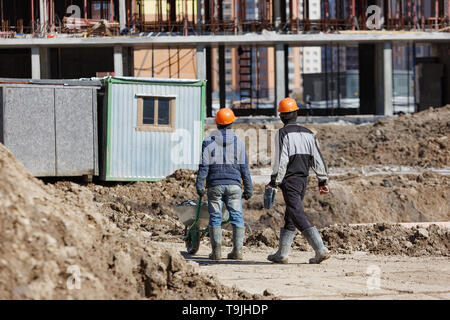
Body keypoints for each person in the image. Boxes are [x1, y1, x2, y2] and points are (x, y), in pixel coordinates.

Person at [267, 97, 331, 264]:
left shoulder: (282, 133)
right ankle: (282, 253)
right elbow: (317, 158)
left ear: (281, 116)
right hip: (303, 180)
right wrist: (322, 180)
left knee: (296, 212)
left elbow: (281, 160)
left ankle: (320, 249)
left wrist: (274, 181)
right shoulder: (309, 133)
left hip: (289, 180)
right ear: (296, 113)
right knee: (291, 214)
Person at [196, 108, 253, 261]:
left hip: (214, 185)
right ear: (232, 123)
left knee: (215, 217)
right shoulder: (239, 144)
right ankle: (237, 252)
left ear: (217, 124)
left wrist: (200, 185)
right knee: (237, 217)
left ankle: (217, 253)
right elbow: (244, 169)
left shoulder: (208, 142)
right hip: (234, 186)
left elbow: (204, 167)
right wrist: (248, 188)